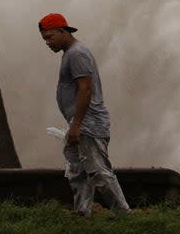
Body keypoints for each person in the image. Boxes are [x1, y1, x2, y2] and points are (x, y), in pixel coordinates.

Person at [38, 12, 130, 217]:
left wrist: (76, 125)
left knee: (98, 170)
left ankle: (123, 213)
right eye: (44, 38)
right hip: (80, 122)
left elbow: (85, 89)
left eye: (49, 37)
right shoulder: (70, 53)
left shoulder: (76, 54)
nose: (47, 42)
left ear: (62, 31)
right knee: (77, 170)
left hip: (88, 123)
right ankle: (82, 211)